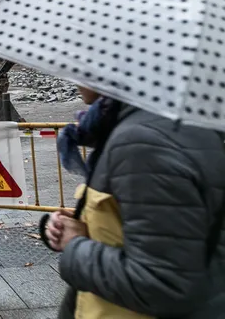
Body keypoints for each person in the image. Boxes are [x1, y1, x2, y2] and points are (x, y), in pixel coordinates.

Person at [40, 86, 225, 318]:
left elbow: (163, 284)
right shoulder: (173, 123)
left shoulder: (143, 142)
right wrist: (84, 227)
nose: (76, 77)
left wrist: (74, 245)